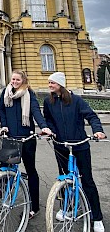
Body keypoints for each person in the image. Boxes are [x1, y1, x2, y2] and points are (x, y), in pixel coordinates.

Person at [43, 72, 106, 232]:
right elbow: (48, 119)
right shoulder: (49, 101)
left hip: (79, 145)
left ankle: (97, 217)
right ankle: (67, 208)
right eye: (49, 83)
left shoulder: (77, 101)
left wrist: (98, 130)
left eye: (52, 83)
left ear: (61, 85)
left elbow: (91, 116)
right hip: (61, 146)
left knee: (87, 182)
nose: (50, 85)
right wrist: (50, 130)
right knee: (64, 179)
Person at [0, 70, 52, 220]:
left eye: (17, 80)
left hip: (26, 138)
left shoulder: (29, 94)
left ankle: (34, 207)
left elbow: (35, 111)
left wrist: (43, 126)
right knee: (5, 164)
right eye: (13, 79)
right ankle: (1, 188)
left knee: (31, 170)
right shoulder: (6, 92)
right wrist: (4, 125)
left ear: (23, 81)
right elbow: (1, 109)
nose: (14, 82)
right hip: (10, 136)